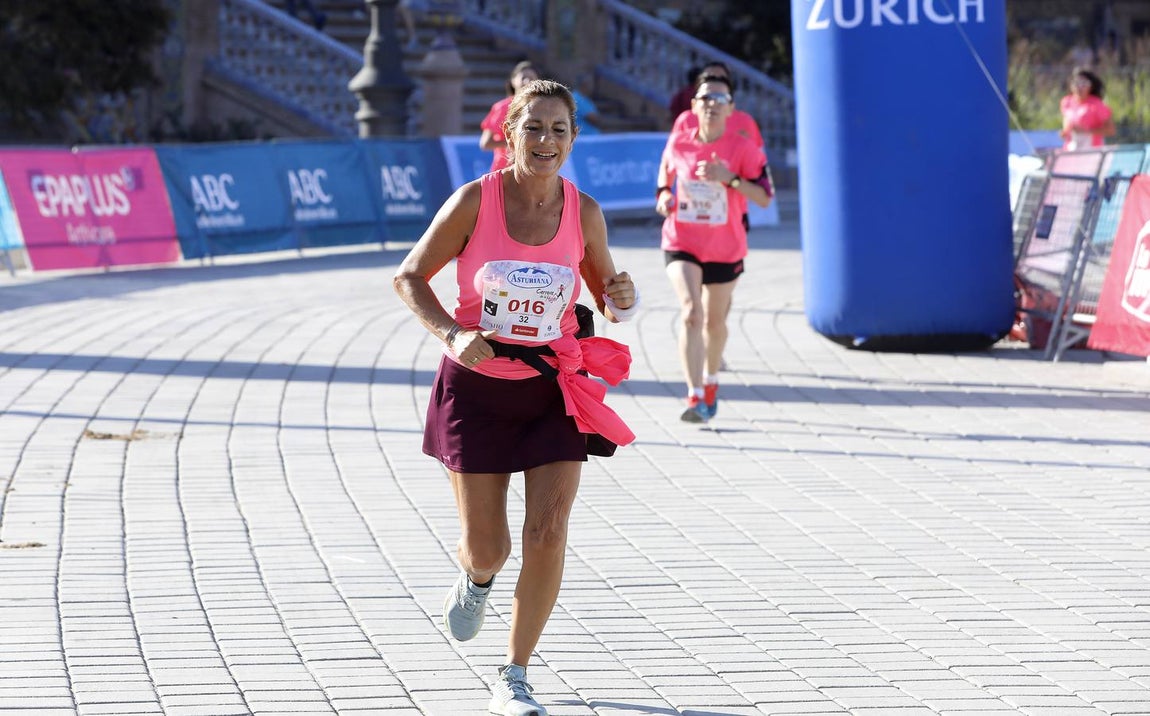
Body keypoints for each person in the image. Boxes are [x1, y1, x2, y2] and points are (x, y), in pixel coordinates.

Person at [393, 79, 638, 716]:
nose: (546, 141)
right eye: (534, 128)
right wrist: (452, 332)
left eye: (559, 131)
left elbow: (605, 288)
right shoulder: (476, 201)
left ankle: (515, 673)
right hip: (476, 389)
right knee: (490, 547)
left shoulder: (582, 211)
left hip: (552, 387)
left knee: (548, 531)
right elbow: (409, 275)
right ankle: (477, 579)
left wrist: (621, 297)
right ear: (511, 134)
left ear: (573, 139)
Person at [655, 76, 773, 423]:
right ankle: (693, 396)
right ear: (694, 106)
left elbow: (764, 197)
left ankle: (710, 381)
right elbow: (665, 177)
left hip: (725, 246)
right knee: (692, 312)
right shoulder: (679, 142)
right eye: (705, 98)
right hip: (682, 240)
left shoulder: (743, 149)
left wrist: (730, 178)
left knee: (715, 323)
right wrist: (663, 196)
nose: (711, 103)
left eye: (720, 98)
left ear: (731, 109)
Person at [480, 61, 541, 172]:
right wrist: (518, 143)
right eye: (523, 77)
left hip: (531, 171)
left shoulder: (542, 108)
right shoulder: (503, 107)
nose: (527, 81)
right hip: (505, 170)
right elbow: (485, 143)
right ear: (513, 81)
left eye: (531, 78)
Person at [1059, 67, 1115, 151]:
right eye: (1076, 83)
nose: (1079, 87)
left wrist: (1086, 131)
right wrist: (1065, 132)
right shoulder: (1066, 102)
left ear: (1091, 86)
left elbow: (1110, 130)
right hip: (1071, 149)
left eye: (1084, 84)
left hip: (1092, 150)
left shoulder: (1097, 104)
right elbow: (1067, 125)